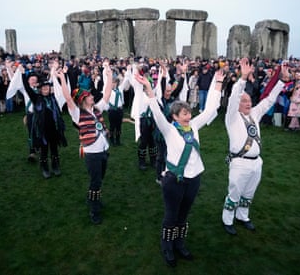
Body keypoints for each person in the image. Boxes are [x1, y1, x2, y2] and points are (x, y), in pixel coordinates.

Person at [134, 66, 224, 267]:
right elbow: (156, 112)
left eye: (188, 112)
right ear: (175, 116)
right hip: (174, 180)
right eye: (184, 113)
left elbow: (210, 110)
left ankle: (179, 243)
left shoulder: (194, 126)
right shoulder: (168, 130)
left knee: (184, 215)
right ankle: (167, 245)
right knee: (171, 215)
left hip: (194, 179)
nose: (188, 115)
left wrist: (218, 83)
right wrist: (149, 88)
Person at [222, 58, 286, 235]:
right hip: (240, 162)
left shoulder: (255, 115)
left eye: (249, 100)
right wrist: (242, 79)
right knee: (234, 193)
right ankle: (227, 220)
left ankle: (243, 216)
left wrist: (282, 81)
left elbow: (269, 100)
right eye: (244, 101)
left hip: (256, 162)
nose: (248, 103)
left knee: (249, 193)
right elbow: (234, 97)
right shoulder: (232, 118)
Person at [59, 59, 113, 225]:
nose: (91, 96)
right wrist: (62, 78)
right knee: (95, 181)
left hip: (103, 150)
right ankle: (94, 208)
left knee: (99, 179)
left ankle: (94, 199)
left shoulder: (96, 109)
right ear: (83, 100)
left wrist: (109, 75)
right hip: (92, 153)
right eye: (88, 95)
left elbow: (107, 94)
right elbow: (68, 98)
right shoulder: (77, 113)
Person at [21, 64, 67, 179]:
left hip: (54, 129)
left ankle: (56, 167)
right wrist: (22, 74)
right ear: (40, 89)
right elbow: (27, 88)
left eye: (48, 88)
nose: (46, 89)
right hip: (42, 131)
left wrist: (62, 74)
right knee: (44, 151)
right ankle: (45, 168)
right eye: (44, 88)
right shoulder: (36, 98)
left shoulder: (53, 98)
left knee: (55, 150)